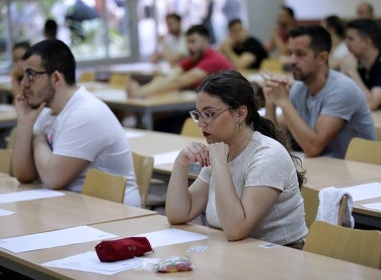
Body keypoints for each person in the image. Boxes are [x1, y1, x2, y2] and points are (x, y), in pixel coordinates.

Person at [166, 70, 308, 248]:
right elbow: (178, 214)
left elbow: (235, 229)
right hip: (234, 252)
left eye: (209, 114)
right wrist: (181, 163)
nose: (201, 123)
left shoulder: (268, 155)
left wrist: (219, 163)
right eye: (198, 114)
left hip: (280, 256)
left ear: (240, 114)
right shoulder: (221, 146)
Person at [12, 39, 140, 207]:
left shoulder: (85, 113)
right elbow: (23, 175)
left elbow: (52, 178)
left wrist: (38, 138)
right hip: (77, 206)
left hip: (114, 213)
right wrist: (25, 122)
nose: (23, 84)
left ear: (56, 78)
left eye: (30, 75)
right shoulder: (46, 111)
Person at [263, 25, 376, 159]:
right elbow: (274, 140)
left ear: (322, 58)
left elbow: (313, 148)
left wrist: (284, 102)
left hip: (358, 172)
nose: (292, 60)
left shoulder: (342, 89)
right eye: (291, 53)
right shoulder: (300, 87)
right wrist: (271, 101)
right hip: (324, 168)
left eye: (300, 54)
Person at [128, 24, 233, 133]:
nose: (189, 46)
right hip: (204, 108)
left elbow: (178, 81)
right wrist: (143, 90)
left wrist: (140, 92)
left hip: (222, 113)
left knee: (164, 126)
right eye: (187, 42)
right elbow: (171, 75)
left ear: (206, 42)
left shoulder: (213, 58)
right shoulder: (194, 57)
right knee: (162, 122)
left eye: (193, 41)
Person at [340, 19, 381, 110]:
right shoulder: (356, 63)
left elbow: (371, 104)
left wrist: (352, 72)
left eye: (351, 39)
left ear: (367, 42)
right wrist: (344, 75)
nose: (346, 44)